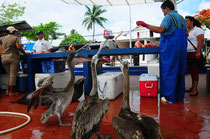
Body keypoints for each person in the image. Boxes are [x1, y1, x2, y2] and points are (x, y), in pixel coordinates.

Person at [136, 0, 188, 103]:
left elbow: (160, 30)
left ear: (166, 8)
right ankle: (178, 96)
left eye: (163, 11)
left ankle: (169, 98)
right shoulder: (182, 19)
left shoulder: (169, 17)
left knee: (169, 71)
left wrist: (146, 25)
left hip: (171, 48)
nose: (163, 13)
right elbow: (186, 34)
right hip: (181, 48)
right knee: (179, 72)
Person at [0, 26, 28, 96]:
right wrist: (25, 53)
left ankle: (7, 91)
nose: (16, 32)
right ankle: (11, 92)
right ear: (13, 32)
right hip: (12, 57)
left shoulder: (2, 38)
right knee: (13, 75)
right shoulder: (16, 38)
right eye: (15, 31)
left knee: (8, 75)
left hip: (3, 58)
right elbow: (18, 47)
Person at [185, 16, 204, 96]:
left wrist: (198, 52)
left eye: (187, 21)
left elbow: (201, 40)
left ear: (192, 21)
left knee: (194, 71)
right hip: (187, 53)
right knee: (191, 71)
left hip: (194, 52)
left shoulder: (198, 30)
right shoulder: (186, 31)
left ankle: (195, 89)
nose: (185, 23)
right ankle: (192, 87)